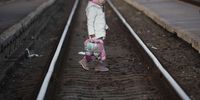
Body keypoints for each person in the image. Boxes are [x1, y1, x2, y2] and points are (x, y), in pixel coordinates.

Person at [79, 0, 109, 71]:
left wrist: (106, 27)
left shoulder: (98, 7)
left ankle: (85, 61)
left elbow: (100, 20)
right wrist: (92, 34)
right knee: (100, 51)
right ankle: (99, 65)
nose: (105, 1)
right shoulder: (92, 8)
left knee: (94, 50)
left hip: (99, 32)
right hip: (96, 34)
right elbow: (90, 22)